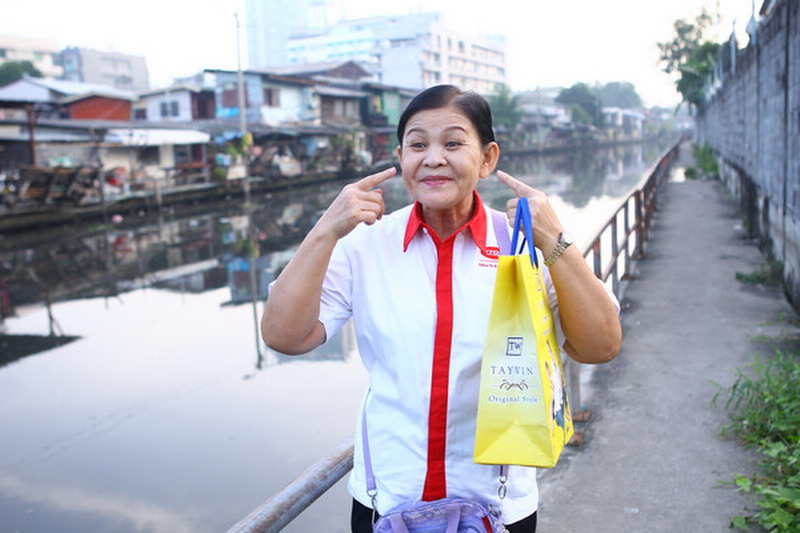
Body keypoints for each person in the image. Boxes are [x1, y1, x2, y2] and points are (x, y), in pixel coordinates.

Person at [261, 84, 622, 533]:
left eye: (453, 143)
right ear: (401, 158)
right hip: (386, 504)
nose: (433, 158)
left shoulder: (522, 244)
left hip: (498, 510)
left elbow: (600, 345)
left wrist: (555, 240)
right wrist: (324, 231)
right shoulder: (366, 244)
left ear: (488, 158)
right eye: (417, 144)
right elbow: (285, 336)